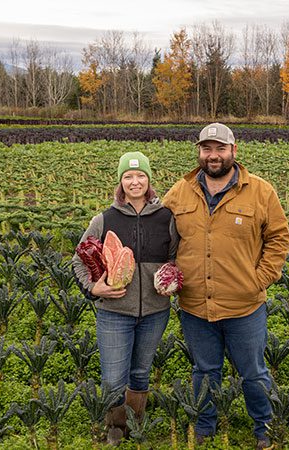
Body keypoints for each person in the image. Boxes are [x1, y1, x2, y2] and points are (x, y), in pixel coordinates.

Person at [163, 123, 289, 449]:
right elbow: (160, 235)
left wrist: (258, 280)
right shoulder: (180, 191)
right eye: (207, 149)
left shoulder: (260, 191)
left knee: (253, 372)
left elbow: (279, 239)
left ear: (234, 150)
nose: (213, 155)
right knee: (204, 371)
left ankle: (265, 428)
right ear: (199, 152)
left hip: (244, 305)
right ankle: (205, 428)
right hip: (195, 305)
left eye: (220, 149)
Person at [72, 151, 178, 445]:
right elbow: (78, 259)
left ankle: (136, 421)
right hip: (114, 312)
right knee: (114, 378)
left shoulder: (166, 218)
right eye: (128, 176)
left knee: (141, 372)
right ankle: (117, 427)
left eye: (140, 175)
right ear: (120, 182)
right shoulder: (104, 219)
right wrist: (93, 289)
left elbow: (174, 258)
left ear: (149, 180)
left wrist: (170, 279)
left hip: (155, 311)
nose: (135, 182)